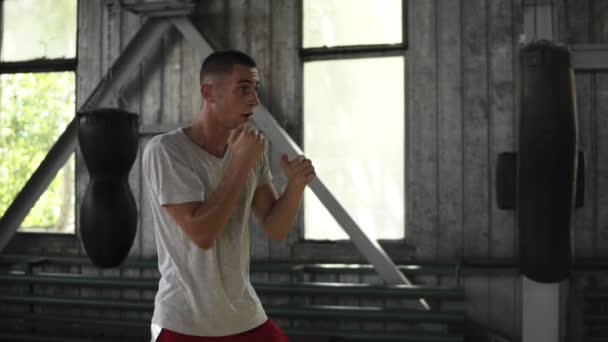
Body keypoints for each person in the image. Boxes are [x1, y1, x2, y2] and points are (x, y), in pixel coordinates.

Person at [142, 50, 316, 341]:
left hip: (245, 315)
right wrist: (240, 163)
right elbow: (202, 234)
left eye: (255, 89)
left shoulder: (250, 150)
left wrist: (295, 186)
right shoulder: (167, 151)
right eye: (243, 89)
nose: (254, 101)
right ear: (208, 92)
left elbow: (275, 227)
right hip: (185, 321)